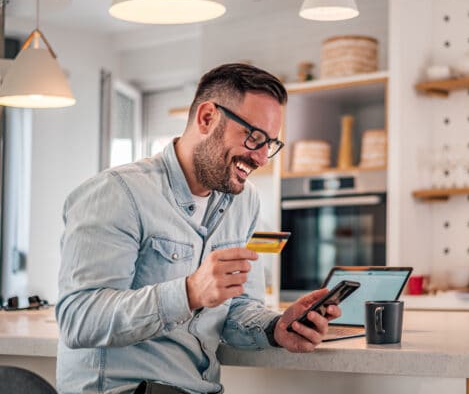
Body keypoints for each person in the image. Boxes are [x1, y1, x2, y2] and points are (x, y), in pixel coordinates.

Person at [56, 63, 341, 394]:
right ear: (207, 118)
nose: (262, 158)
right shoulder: (117, 193)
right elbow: (79, 319)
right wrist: (188, 292)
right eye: (255, 137)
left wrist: (275, 327)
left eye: (271, 144)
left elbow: (237, 308)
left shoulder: (244, 201)